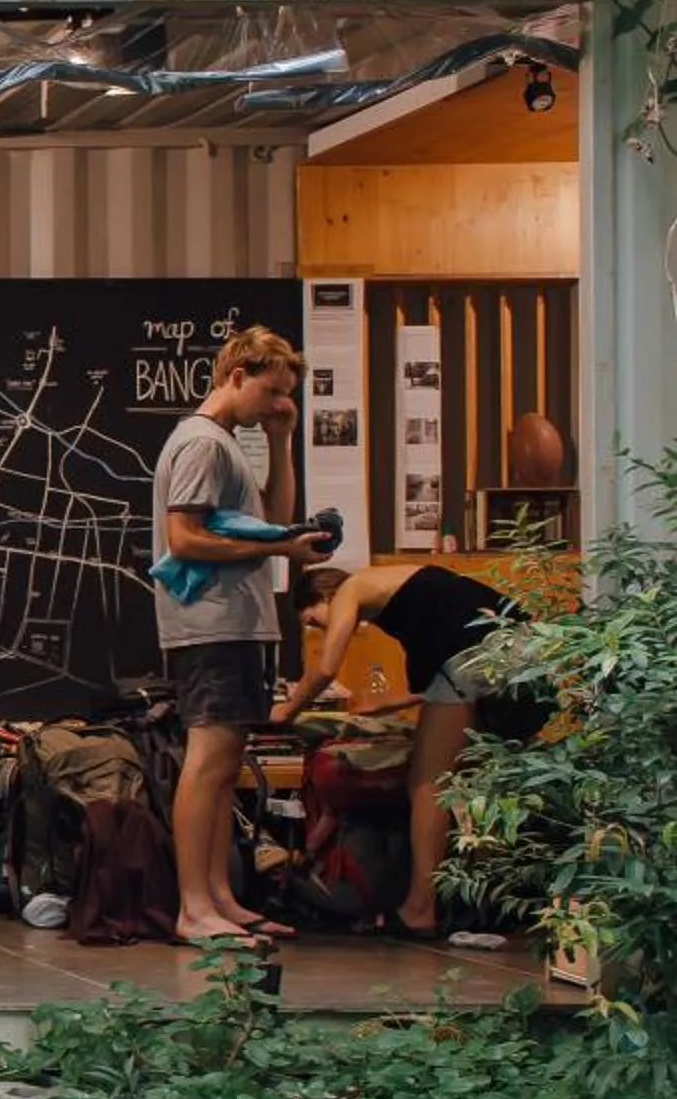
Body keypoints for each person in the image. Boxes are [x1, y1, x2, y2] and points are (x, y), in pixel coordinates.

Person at [152, 324, 330, 946]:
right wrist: (282, 547)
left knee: (225, 766)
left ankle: (219, 897)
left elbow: (274, 523)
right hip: (211, 624)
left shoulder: (231, 443)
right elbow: (184, 538)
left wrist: (281, 442)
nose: (280, 403)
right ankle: (194, 906)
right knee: (206, 762)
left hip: (239, 622)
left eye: (289, 395)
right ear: (236, 376)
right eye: (273, 392)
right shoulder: (202, 443)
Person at [278, 561, 534, 937]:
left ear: (325, 595)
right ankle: (484, 900)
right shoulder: (399, 588)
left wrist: (287, 708)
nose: (319, 630)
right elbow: (448, 652)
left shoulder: (353, 588)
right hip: (520, 644)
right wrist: (389, 705)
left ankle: (419, 908)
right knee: (474, 776)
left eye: (315, 620)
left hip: (478, 653)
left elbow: (327, 667)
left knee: (427, 781)